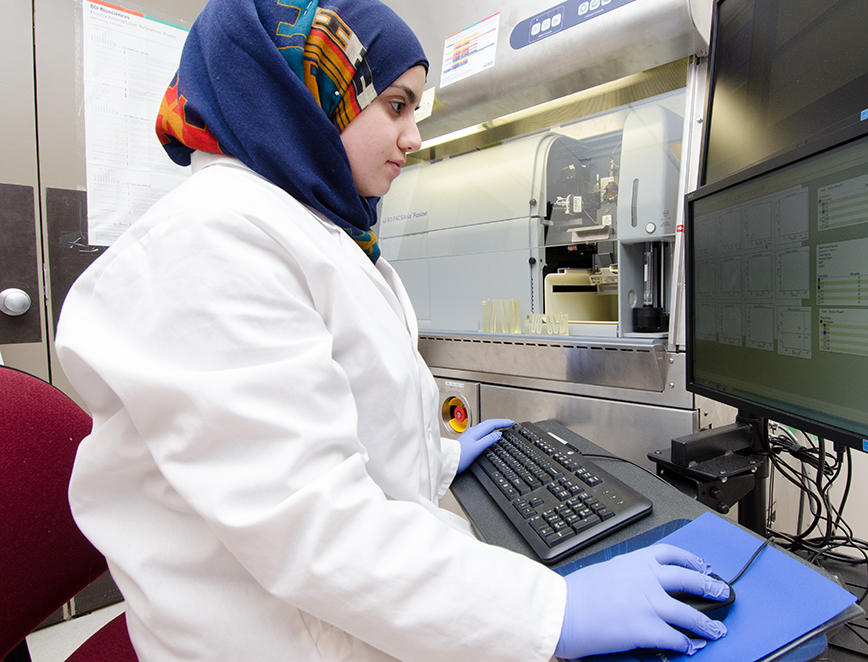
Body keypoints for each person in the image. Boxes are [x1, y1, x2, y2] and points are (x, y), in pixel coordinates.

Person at [55, 1, 730, 660]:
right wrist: (554, 612)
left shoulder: (313, 230)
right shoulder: (210, 245)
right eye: (397, 105)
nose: (413, 138)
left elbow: (326, 425)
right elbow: (315, 529)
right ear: (309, 91)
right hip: (277, 636)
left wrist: (436, 457)